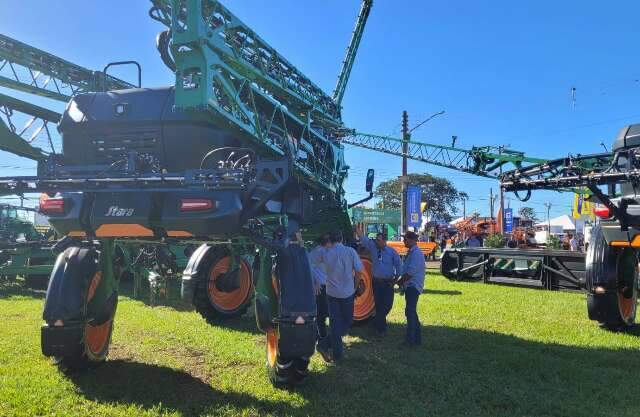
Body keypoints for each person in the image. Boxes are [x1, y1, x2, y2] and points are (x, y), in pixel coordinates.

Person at [316, 230, 364, 362]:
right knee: (347, 322)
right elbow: (359, 271)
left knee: (335, 324)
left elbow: (312, 261)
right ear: (342, 238)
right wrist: (355, 286)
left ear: (331, 240)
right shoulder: (350, 252)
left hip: (331, 293)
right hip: (347, 293)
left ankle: (335, 353)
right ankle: (326, 346)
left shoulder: (325, 252)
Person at [355, 223, 401, 336]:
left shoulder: (392, 252)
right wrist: (357, 230)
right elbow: (364, 239)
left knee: (388, 305)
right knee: (379, 305)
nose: (376, 241)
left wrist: (396, 279)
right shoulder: (373, 248)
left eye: (379, 240)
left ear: (385, 241)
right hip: (377, 282)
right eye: (376, 239)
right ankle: (381, 329)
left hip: (388, 282)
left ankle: (377, 322)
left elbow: (399, 265)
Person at [395, 231, 426, 346]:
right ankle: (416, 339)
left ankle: (411, 340)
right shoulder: (412, 252)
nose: (404, 241)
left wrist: (400, 281)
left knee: (410, 312)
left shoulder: (416, 253)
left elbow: (410, 272)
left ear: (413, 240)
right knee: (411, 312)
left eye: (406, 239)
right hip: (410, 286)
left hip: (413, 286)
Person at [309, 234, 331, 340]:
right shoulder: (322, 252)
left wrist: (315, 282)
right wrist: (316, 281)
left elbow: (309, 267)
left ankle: (320, 335)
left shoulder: (314, 252)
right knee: (324, 314)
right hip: (324, 287)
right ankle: (323, 336)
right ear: (327, 243)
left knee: (320, 314)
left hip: (321, 287)